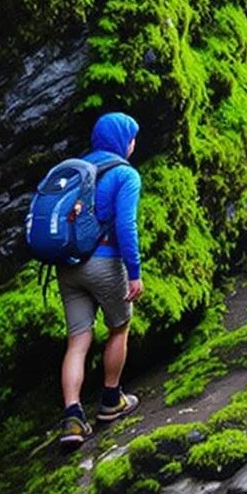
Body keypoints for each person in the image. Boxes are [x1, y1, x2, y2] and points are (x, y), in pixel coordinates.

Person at [57, 110, 144, 448]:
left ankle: (72, 418)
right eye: (132, 138)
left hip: (67, 265)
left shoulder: (76, 170)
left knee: (77, 341)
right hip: (105, 263)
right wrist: (134, 272)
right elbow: (126, 226)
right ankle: (111, 400)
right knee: (119, 327)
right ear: (123, 141)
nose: (134, 145)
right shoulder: (124, 174)